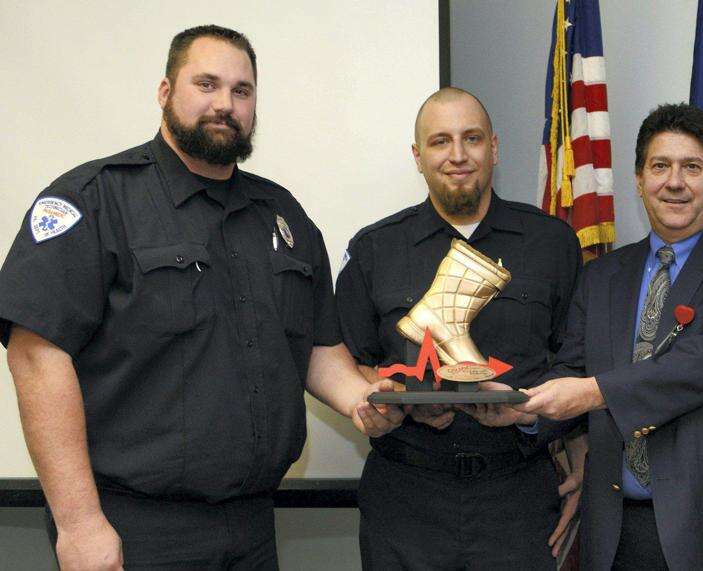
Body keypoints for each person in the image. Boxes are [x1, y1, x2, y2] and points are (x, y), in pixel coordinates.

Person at [0, 25, 402, 570]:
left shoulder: (281, 215)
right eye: (207, 84)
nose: (225, 104)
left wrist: (362, 399)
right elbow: (35, 357)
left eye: (242, 90)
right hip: (132, 527)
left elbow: (315, 348)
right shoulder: (95, 200)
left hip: (252, 525)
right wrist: (79, 524)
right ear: (165, 92)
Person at [491, 103, 703, 569]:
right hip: (617, 535)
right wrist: (523, 409)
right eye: (660, 166)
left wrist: (594, 392)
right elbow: (571, 369)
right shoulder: (601, 276)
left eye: (691, 167)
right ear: (639, 180)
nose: (674, 182)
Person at [335, 86, 583, 570]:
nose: (457, 155)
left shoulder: (552, 242)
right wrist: (397, 400)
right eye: (440, 141)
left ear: (494, 147)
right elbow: (350, 362)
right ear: (418, 156)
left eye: (471, 138)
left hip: (518, 495)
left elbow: (575, 360)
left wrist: (577, 451)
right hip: (406, 496)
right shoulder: (374, 249)